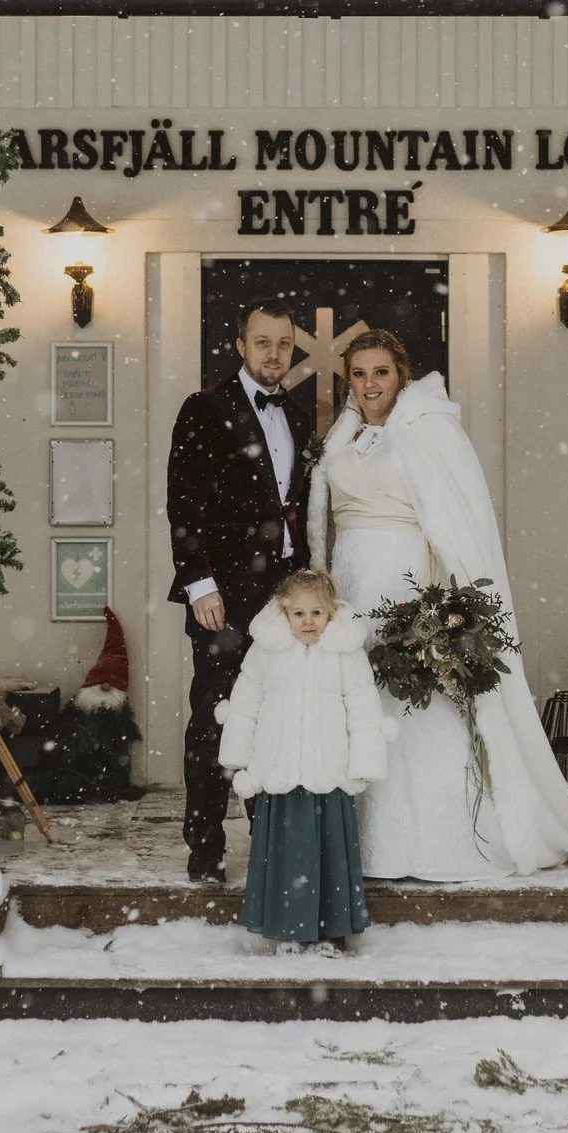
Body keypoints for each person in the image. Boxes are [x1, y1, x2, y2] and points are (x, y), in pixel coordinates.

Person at [310, 327, 568, 880]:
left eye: (381, 372)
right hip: (350, 583)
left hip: (404, 579)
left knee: (414, 705)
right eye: (359, 374)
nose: (370, 384)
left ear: (401, 375)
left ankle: (438, 841)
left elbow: (455, 519)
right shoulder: (342, 436)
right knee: (359, 705)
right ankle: (362, 844)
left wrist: (440, 603)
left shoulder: (430, 430)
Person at [166, 298, 314, 882]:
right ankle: (205, 850)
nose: (274, 354)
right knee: (215, 720)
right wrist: (199, 583)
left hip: (282, 600)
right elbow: (184, 504)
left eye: (284, 344)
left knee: (273, 720)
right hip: (222, 599)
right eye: (263, 342)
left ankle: (268, 843)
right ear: (240, 346)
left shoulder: (297, 416)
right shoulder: (205, 408)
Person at [217, 569, 388, 951]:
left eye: (317, 613)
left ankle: (331, 932)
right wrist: (238, 756)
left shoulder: (345, 654)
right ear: (284, 613)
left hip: (329, 770)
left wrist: (364, 762)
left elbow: (363, 708)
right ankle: (288, 930)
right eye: (299, 614)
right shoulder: (266, 652)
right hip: (280, 771)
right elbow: (245, 705)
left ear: (331, 613)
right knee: (287, 856)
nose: (308, 621)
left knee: (330, 855)